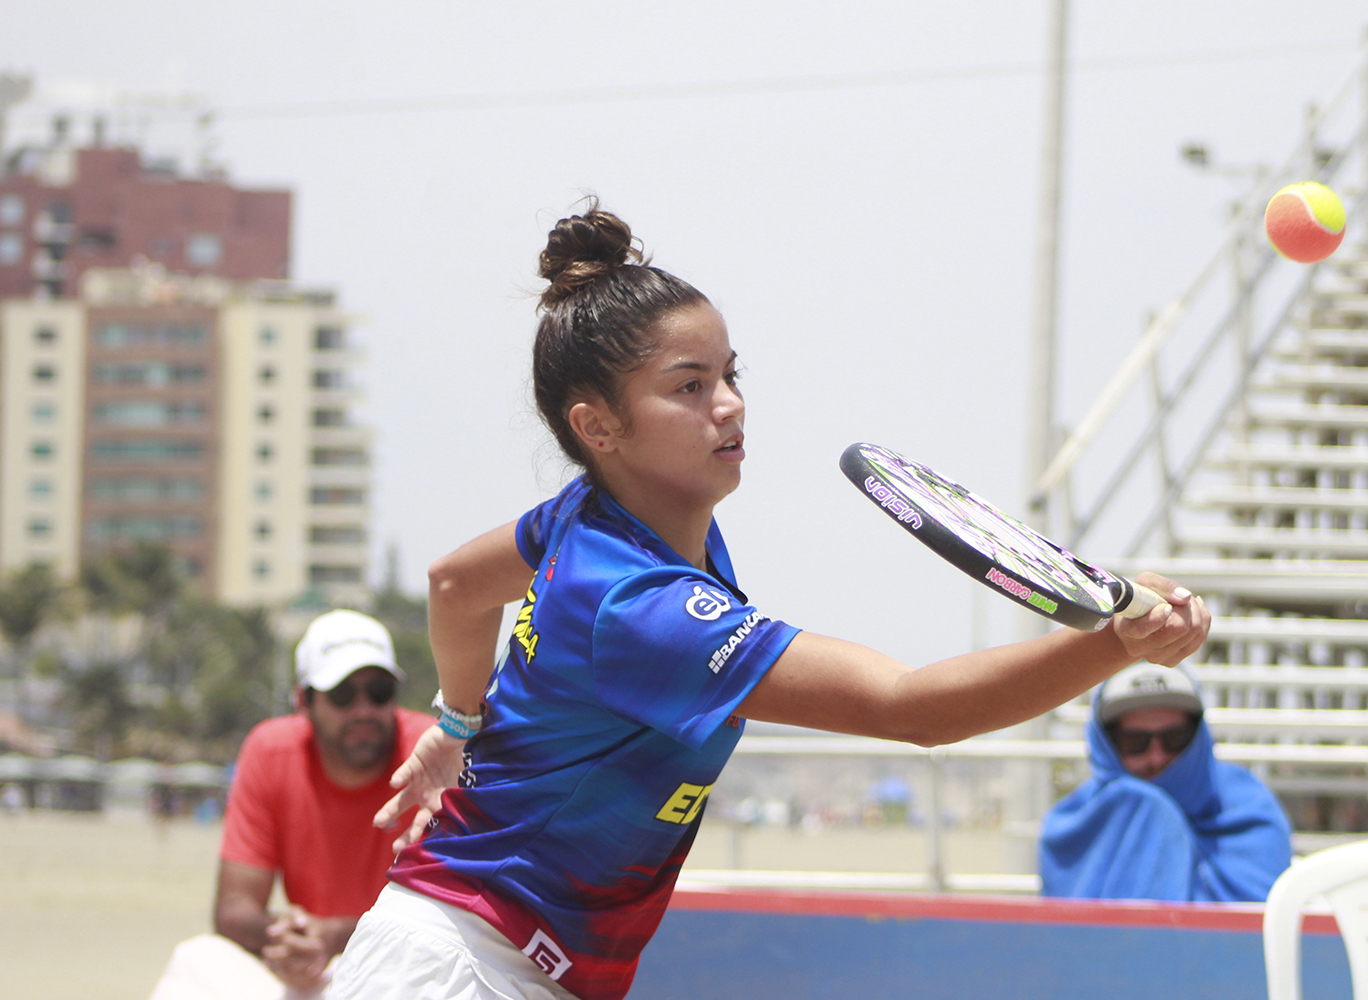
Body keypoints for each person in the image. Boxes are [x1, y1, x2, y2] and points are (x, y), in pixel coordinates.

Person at [321, 202, 1212, 1000]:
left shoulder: (588, 521)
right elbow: (914, 709)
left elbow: (452, 586)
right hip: (459, 967)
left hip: (494, 956)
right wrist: (1119, 646)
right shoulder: (639, 605)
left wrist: (458, 722)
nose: (731, 406)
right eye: (689, 386)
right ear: (598, 427)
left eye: (729, 374)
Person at [148, 610, 433, 1000]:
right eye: (343, 694)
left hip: (408, 970)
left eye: (379, 691)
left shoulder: (430, 753)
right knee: (197, 958)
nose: (364, 709)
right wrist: (290, 940)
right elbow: (233, 910)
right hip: (315, 970)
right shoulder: (271, 751)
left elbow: (447, 916)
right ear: (303, 701)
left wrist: (331, 937)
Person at [1038, 662, 1292, 903]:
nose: (1157, 757)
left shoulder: (1248, 807)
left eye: (1175, 739)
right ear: (1107, 746)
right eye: (1135, 742)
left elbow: (1256, 929)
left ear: (1197, 738)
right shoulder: (1074, 825)